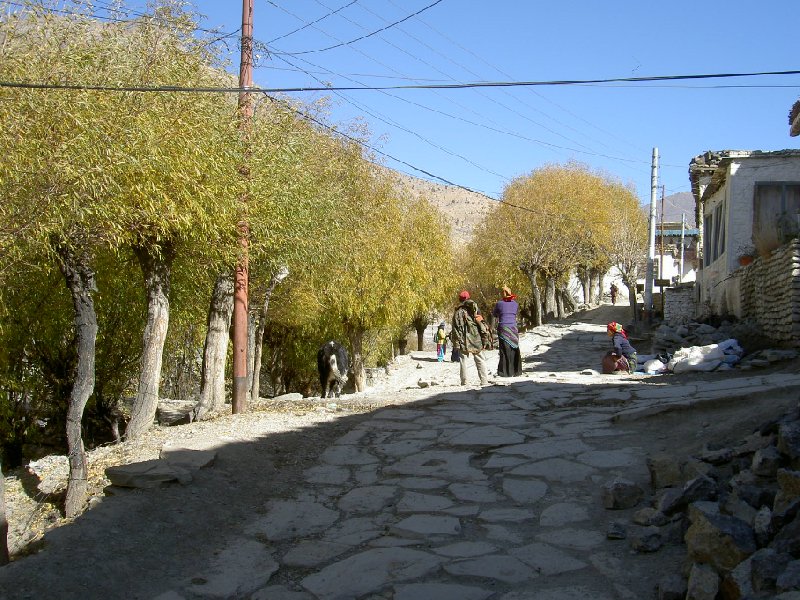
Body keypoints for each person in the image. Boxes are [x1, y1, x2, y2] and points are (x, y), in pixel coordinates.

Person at [451, 290, 489, 386]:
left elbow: (455, 329)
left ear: (460, 299)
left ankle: (464, 382)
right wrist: (484, 337)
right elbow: (481, 324)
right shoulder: (475, 310)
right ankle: (484, 381)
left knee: (463, 360)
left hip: (463, 339)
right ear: (468, 298)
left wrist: (456, 343)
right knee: (480, 359)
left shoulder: (457, 312)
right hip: (475, 338)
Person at [492, 286, 522, 377]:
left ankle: (504, 372)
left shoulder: (499, 304)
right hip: (513, 328)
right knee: (514, 348)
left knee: (504, 350)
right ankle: (516, 371)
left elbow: (495, 314)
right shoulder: (515, 304)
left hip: (503, 328)